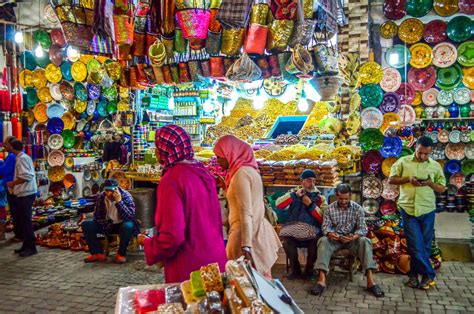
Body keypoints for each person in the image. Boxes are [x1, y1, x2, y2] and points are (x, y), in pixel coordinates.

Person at [143, 125, 227, 283]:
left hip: (190, 268)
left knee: (191, 307)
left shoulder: (171, 180)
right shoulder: (201, 171)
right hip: (215, 261)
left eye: (157, 147)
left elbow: (172, 236)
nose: (155, 152)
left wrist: (149, 244)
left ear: (165, 149)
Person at [213, 135, 281, 278]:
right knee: (260, 282)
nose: (217, 161)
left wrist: (246, 245)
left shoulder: (240, 174)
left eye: (219, 157)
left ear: (229, 154)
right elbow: (241, 202)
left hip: (247, 235)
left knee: (248, 284)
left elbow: (245, 211)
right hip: (256, 230)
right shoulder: (248, 170)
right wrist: (226, 188)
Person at [388, 136, 446, 290]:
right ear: (416, 147)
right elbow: (391, 180)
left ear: (430, 152)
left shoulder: (435, 166)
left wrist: (430, 183)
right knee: (415, 245)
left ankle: (414, 276)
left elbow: (442, 188)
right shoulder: (403, 161)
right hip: (408, 209)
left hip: (427, 210)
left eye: (426, 154)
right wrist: (408, 179)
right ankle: (430, 274)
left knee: (425, 246)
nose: (423, 156)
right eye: (420, 152)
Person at [310, 184, 384, 297]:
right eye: (341, 198)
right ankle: (321, 281)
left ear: (350, 196)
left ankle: (370, 281)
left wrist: (354, 236)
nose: (344, 201)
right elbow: (325, 227)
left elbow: (363, 228)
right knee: (322, 241)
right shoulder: (329, 209)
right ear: (336, 196)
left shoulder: (358, 208)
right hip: (335, 240)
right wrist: (330, 234)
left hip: (351, 240)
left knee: (365, 241)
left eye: (346, 199)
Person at [276, 169, 328, 280]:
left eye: (314, 181)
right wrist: (294, 196)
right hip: (293, 231)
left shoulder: (320, 198)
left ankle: (309, 270)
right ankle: (296, 270)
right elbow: (279, 205)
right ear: (301, 181)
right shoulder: (293, 193)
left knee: (315, 242)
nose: (312, 184)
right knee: (287, 242)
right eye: (309, 181)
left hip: (312, 232)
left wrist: (310, 204)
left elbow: (323, 218)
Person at [82, 179, 138, 263]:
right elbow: (97, 216)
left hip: (121, 223)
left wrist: (119, 202)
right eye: (106, 191)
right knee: (86, 225)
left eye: (110, 191)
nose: (108, 193)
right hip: (107, 224)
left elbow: (130, 216)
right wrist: (104, 222)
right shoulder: (102, 197)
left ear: (116, 189)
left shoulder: (126, 196)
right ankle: (97, 253)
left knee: (128, 226)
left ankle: (121, 254)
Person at [7, 140, 37, 257]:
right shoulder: (23, 157)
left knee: (26, 221)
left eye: (7, 145)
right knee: (24, 221)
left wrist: (13, 183)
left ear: (12, 147)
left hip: (26, 193)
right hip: (25, 193)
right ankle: (26, 245)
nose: (6, 146)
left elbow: (27, 176)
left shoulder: (22, 159)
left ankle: (31, 247)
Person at [0, 136, 16, 241]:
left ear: (11, 145)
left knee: (15, 212)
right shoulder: (13, 156)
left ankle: (3, 234)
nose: (4, 145)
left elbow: (3, 172)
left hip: (10, 187)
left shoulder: (11, 157)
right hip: (9, 187)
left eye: (5, 143)